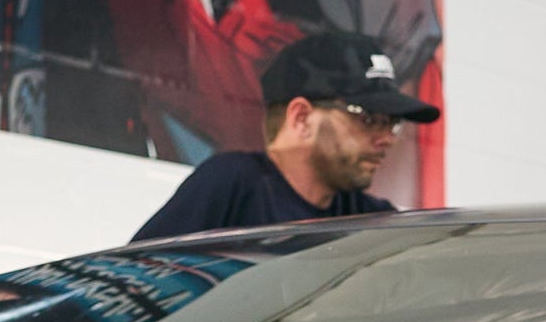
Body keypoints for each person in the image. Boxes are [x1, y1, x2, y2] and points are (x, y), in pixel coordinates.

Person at [133, 29, 439, 237]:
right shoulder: (231, 185)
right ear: (301, 118)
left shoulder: (371, 218)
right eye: (370, 118)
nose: (388, 138)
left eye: (393, 123)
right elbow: (134, 285)